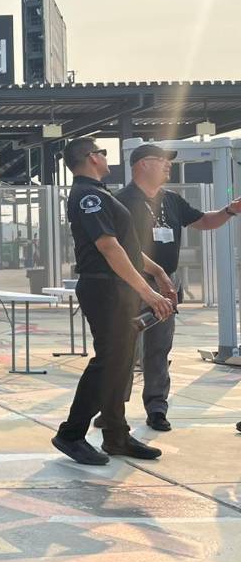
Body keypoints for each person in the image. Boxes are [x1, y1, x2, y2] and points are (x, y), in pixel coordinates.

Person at [51, 137, 174, 466]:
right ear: (92, 158)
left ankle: (116, 435)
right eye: (103, 152)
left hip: (116, 288)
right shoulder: (88, 196)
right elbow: (109, 247)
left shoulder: (99, 193)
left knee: (119, 363)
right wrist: (148, 292)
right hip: (104, 288)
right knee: (108, 362)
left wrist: (158, 272)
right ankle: (71, 433)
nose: (106, 157)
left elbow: (126, 246)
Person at [115, 143, 241, 430]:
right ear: (142, 165)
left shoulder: (171, 200)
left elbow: (204, 220)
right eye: (160, 160)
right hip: (132, 283)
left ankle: (157, 409)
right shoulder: (122, 201)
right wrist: (157, 274)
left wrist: (230, 211)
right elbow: (124, 248)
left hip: (166, 284)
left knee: (159, 349)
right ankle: (113, 411)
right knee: (123, 350)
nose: (167, 164)